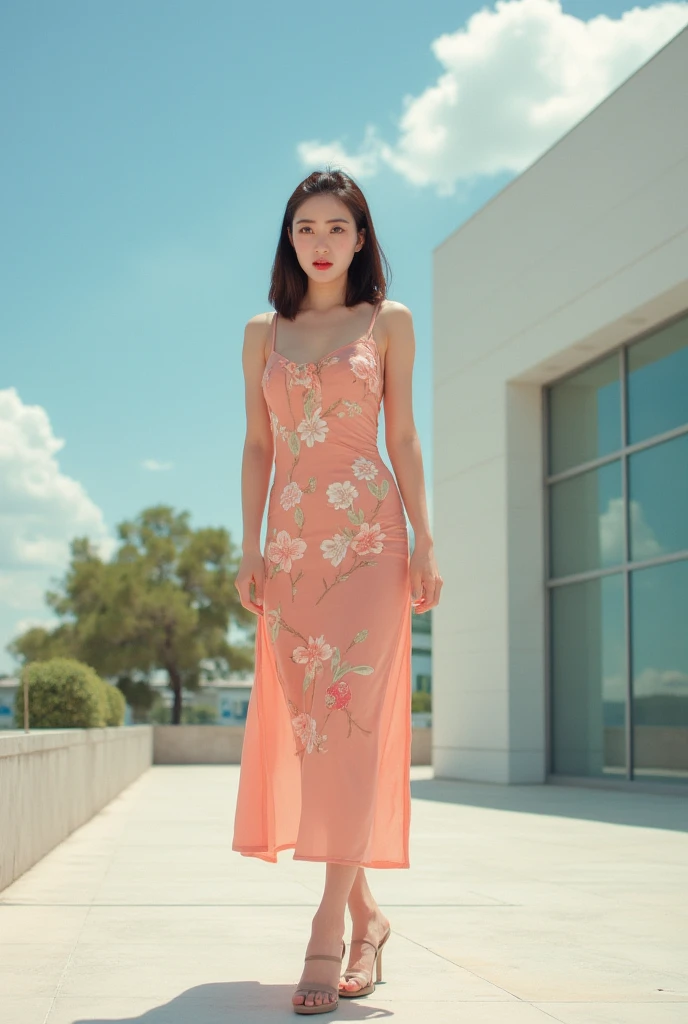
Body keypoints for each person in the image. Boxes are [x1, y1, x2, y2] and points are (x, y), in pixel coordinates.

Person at [233, 168, 442, 1015]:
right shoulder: (262, 332)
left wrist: (427, 538)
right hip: (290, 551)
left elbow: (405, 436)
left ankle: (329, 928)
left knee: (350, 732)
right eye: (305, 228)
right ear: (291, 239)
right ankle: (372, 920)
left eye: (336, 229)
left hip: (369, 542)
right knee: (313, 740)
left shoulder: (388, 322)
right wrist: (248, 545)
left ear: (361, 240)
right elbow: (256, 445)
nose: (320, 244)